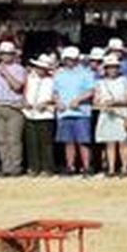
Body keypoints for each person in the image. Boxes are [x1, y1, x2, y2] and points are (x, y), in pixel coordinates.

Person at [0, 40, 28, 176]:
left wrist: (6, 74)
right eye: (3, 54)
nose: (6, 56)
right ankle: (6, 167)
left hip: (14, 107)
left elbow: (17, 87)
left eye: (9, 54)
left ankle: (16, 167)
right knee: (1, 140)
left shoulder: (19, 69)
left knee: (14, 140)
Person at [53, 46, 96, 175]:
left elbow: (91, 91)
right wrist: (57, 102)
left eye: (72, 59)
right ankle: (70, 166)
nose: (70, 61)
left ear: (77, 59)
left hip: (81, 112)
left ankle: (86, 167)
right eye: (68, 59)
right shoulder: (59, 74)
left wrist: (78, 99)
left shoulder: (86, 73)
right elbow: (55, 92)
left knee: (83, 141)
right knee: (68, 142)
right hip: (64, 112)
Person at [93, 54, 127, 177]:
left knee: (123, 142)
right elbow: (96, 100)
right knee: (109, 143)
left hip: (122, 113)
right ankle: (111, 169)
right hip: (106, 114)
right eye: (109, 67)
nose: (112, 70)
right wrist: (102, 103)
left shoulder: (124, 80)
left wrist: (116, 102)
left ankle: (124, 168)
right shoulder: (99, 83)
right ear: (105, 69)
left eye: (115, 67)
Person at [21, 53, 56, 175]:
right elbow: (25, 91)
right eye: (38, 67)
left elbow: (56, 96)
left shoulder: (52, 80)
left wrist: (47, 102)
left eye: (42, 68)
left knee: (46, 143)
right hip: (30, 113)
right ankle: (33, 167)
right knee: (31, 142)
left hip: (46, 113)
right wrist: (25, 102)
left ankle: (47, 168)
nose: (40, 70)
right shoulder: (30, 77)